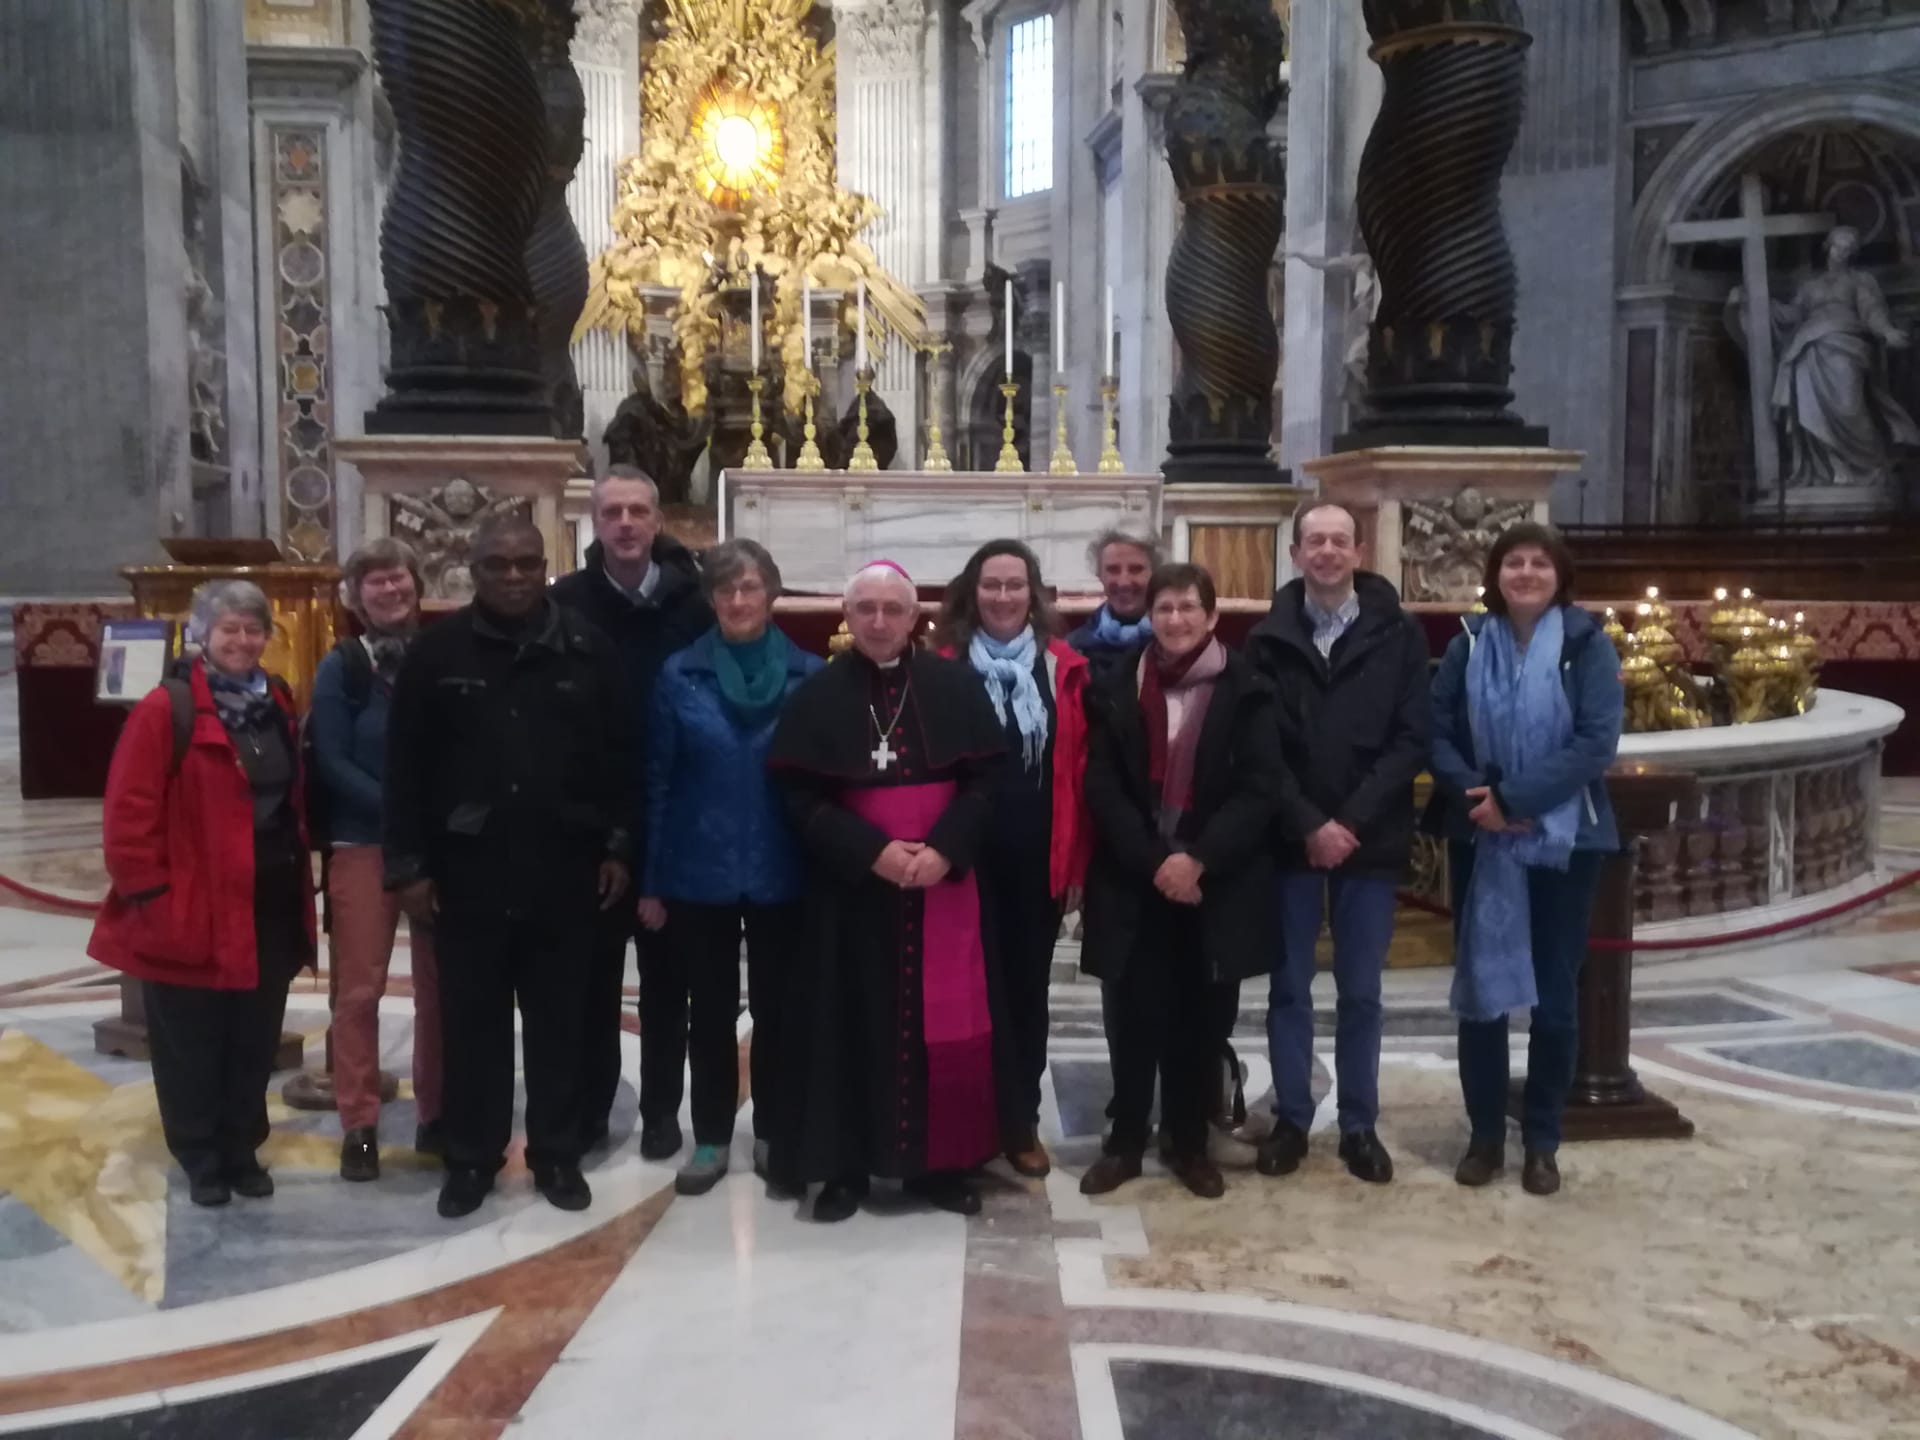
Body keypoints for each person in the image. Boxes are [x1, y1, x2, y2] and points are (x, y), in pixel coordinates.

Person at [385, 516, 633, 1219]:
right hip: (468, 875)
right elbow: (405, 769)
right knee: (473, 1027)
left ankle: (556, 1153)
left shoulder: (588, 650)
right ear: (474, 569)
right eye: (500, 565)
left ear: (546, 565)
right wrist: (408, 868)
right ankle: (472, 1158)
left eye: (528, 564)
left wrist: (620, 845)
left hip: (567, 870)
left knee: (563, 1025)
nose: (516, 576)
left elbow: (622, 758)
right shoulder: (436, 655)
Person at [768, 561, 1007, 1222]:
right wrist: (868, 850)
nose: (878, 621)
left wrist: (945, 851)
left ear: (914, 617)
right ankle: (843, 1167)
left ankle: (943, 1165)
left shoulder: (954, 686)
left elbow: (987, 780)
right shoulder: (818, 695)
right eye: (865, 608)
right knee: (846, 1022)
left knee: (946, 1024)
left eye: (891, 609)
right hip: (851, 892)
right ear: (847, 615)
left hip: (941, 887)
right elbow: (796, 794)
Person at [90, 581, 316, 1208]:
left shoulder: (277, 700)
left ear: (268, 637)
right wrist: (153, 897)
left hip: (264, 903)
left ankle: (243, 1149)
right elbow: (127, 817)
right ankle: (201, 1156)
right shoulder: (166, 709)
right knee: (190, 1044)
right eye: (229, 630)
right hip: (190, 905)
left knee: (253, 1037)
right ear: (200, 635)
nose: (242, 641)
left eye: (252, 629)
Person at [1427, 523, 1623, 1198]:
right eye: (1515, 562)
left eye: (1541, 563)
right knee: (1482, 996)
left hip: (1566, 838)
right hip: (1481, 831)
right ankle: (1484, 1136)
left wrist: (1515, 797)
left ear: (1559, 575)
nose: (1527, 573)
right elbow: (1435, 729)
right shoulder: (1468, 643)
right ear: (1496, 573)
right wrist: (1478, 796)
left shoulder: (1586, 646)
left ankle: (1542, 1140)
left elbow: (1597, 741)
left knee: (1555, 998)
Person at [1078, 564, 1282, 1201]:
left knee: (1202, 1017)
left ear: (1211, 616)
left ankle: (1189, 1142)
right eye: (1163, 608)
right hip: (1136, 878)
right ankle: (1127, 1140)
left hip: (1212, 883)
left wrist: (1196, 860)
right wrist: (1156, 862)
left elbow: (1259, 787)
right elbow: (1102, 786)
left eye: (1187, 608)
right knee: (1133, 1016)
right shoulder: (1116, 684)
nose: (1174, 619)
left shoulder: (1247, 687)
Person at [1245, 502, 1429, 1185]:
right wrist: (1307, 823)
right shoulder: (1268, 638)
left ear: (1359, 552)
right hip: (1291, 840)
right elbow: (1260, 748)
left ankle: (1359, 1124)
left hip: (1368, 838)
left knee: (1362, 991)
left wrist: (1346, 822)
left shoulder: (1399, 635)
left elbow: (1412, 737)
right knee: (1288, 989)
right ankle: (1293, 1117)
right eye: (1313, 541)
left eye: (1338, 541)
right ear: (1295, 554)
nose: (1326, 552)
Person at [636, 540, 823, 1197]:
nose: (739, 601)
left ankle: (775, 1131)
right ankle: (712, 1134)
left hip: (784, 867)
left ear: (771, 593)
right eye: (726, 590)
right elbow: (656, 781)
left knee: (782, 1011)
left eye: (750, 588)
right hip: (697, 869)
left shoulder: (811, 675)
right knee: (708, 1011)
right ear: (711, 600)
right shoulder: (678, 675)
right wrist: (652, 880)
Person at [550, 465, 712, 1161]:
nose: (624, 524)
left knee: (668, 983)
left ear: (655, 521)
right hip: (592, 816)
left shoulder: (693, 602)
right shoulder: (566, 603)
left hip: (672, 813)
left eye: (637, 511)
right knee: (590, 981)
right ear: (596, 520)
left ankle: (659, 1113)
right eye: (612, 511)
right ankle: (589, 1111)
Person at [936, 540, 1091, 1178]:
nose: (1003, 597)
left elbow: (1080, 773)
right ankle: (968, 1127)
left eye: (1016, 585)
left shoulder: (1063, 668)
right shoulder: (943, 666)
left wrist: (1077, 865)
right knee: (968, 999)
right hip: (962, 865)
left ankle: (1019, 1121)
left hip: (1037, 862)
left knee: (1026, 995)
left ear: (1035, 595)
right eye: (992, 585)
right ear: (972, 592)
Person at [309, 539, 443, 1182]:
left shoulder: (442, 658)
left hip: (436, 851)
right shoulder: (342, 667)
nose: (390, 592)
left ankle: (436, 1115)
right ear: (356, 598)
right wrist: (399, 814)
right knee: (358, 992)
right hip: (363, 843)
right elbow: (331, 759)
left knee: (439, 991)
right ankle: (358, 1121)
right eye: (376, 584)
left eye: (399, 580)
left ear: (416, 587)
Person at [1069, 529, 1159, 683]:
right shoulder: (1074, 649)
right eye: (1113, 570)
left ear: (1155, 573)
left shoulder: (1176, 643)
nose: (1124, 582)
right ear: (1099, 575)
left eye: (1136, 569)